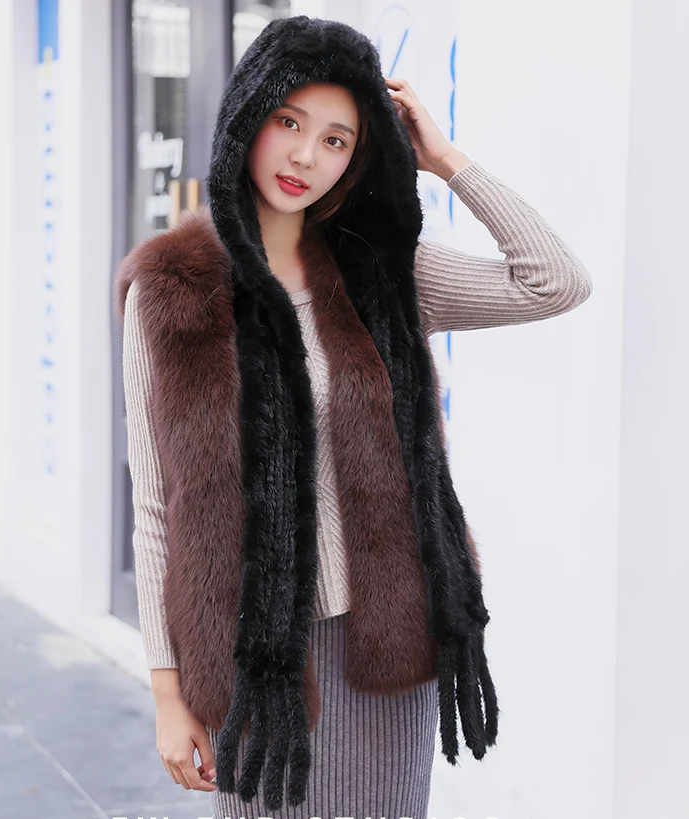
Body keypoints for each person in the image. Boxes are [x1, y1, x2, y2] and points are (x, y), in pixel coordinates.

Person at [115, 15, 592, 818]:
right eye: (289, 121)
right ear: (248, 116)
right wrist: (168, 693)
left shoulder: (384, 270)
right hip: (254, 665)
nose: (306, 155)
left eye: (336, 140)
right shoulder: (171, 290)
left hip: (386, 649)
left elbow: (554, 281)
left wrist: (445, 160)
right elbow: (157, 508)